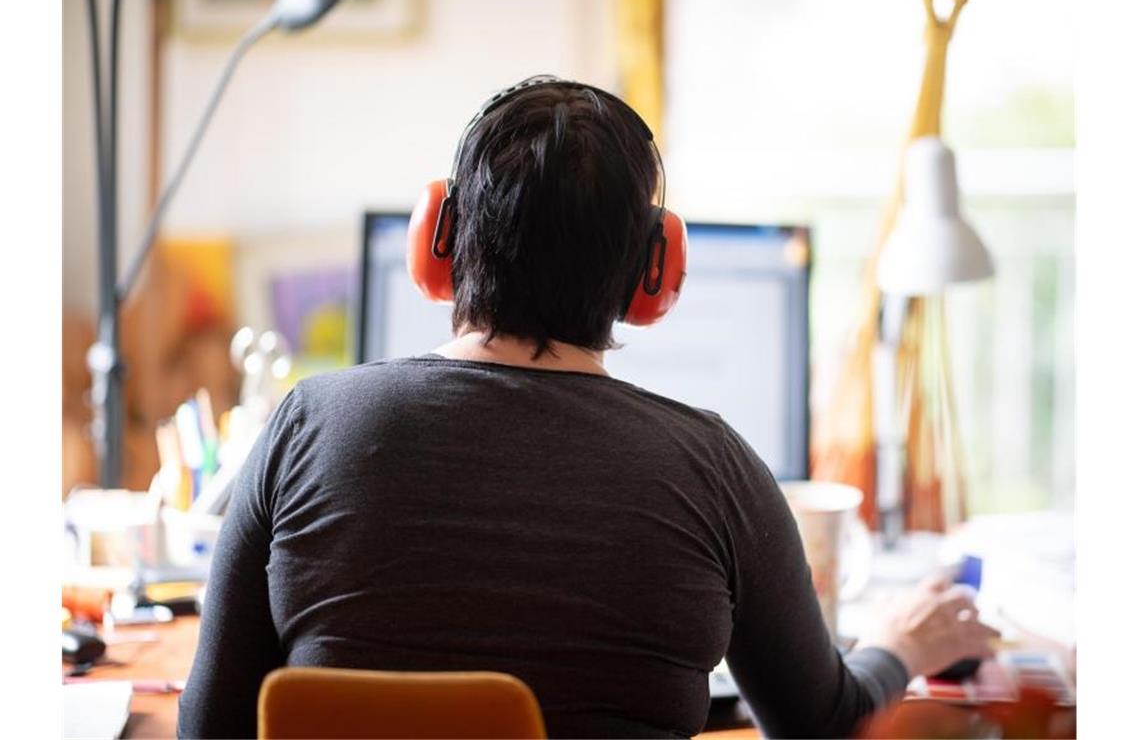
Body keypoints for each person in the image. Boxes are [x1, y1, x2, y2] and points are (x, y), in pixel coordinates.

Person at [178, 77, 998, 739]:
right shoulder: (716, 471)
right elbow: (823, 728)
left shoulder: (306, 424)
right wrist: (900, 645)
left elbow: (209, 729)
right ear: (656, 272)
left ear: (438, 241)